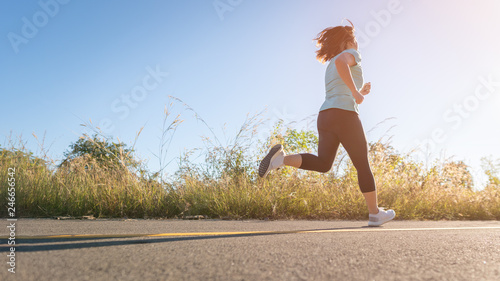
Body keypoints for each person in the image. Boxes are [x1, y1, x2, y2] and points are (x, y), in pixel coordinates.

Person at [258, 20, 395, 226]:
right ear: (346, 43)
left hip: (326, 115)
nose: (357, 44)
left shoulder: (331, 64)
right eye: (354, 40)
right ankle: (375, 213)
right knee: (362, 164)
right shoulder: (349, 55)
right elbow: (343, 65)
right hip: (344, 116)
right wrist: (356, 92)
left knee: (324, 163)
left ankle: (280, 159)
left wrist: (359, 90)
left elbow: (340, 78)